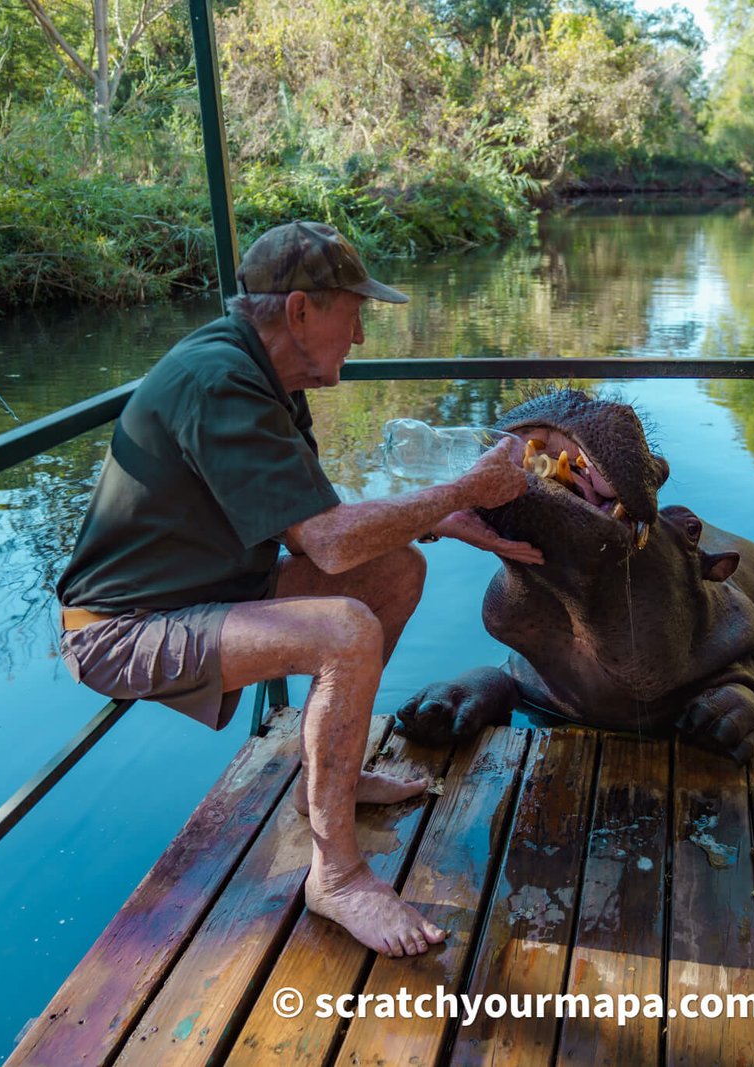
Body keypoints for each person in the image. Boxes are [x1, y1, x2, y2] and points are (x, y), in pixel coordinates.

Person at [55, 220, 541, 958]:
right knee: (344, 629)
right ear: (301, 310)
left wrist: (452, 518)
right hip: (122, 629)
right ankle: (336, 874)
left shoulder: (266, 375)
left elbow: (320, 530)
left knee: (399, 568)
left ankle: (334, 774)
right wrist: (463, 486)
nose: (363, 338)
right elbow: (330, 540)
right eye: (356, 314)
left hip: (205, 595)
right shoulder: (221, 380)